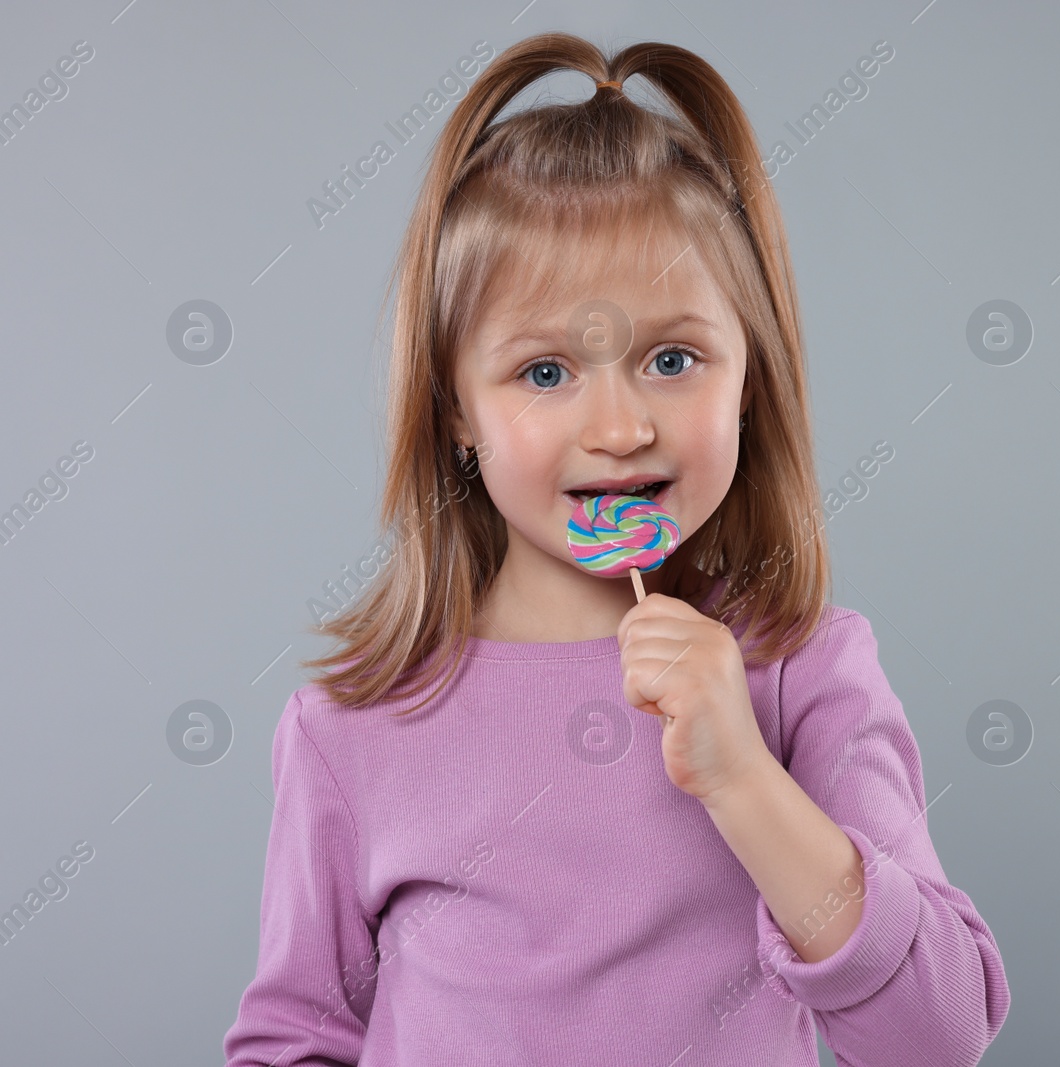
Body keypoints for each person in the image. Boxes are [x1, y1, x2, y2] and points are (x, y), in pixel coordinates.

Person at [223, 30, 1008, 1066]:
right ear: (456, 408)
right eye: (544, 372)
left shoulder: (802, 673)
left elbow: (937, 1035)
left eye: (672, 357)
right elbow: (297, 1038)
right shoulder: (353, 724)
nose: (621, 425)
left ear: (750, 380)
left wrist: (742, 779)